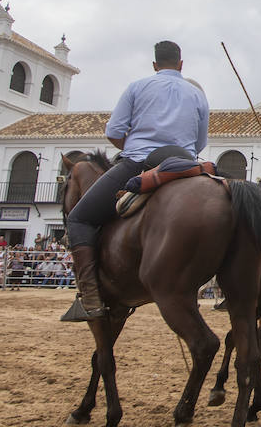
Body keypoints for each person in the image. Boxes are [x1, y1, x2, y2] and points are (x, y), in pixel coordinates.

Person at [63, 40, 209, 320]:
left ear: (155, 65)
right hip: (185, 164)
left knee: (79, 219)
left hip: (139, 162)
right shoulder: (197, 94)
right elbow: (200, 142)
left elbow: (114, 132)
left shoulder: (137, 87)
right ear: (181, 64)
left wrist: (134, 143)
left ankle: (90, 297)